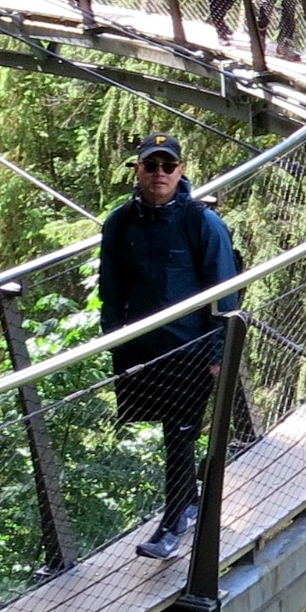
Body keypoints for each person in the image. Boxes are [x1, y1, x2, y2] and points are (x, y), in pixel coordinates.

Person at [99, 135, 244, 559]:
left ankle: (171, 525)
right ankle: (192, 501)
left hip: (192, 350)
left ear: (181, 171)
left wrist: (219, 355)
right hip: (143, 350)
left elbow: (225, 291)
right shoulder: (120, 223)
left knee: (178, 433)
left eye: (168, 165)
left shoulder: (203, 223)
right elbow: (111, 290)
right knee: (167, 427)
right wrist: (115, 343)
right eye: (151, 166)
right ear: (137, 170)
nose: (159, 173)